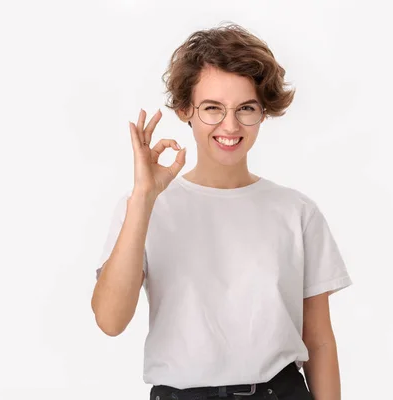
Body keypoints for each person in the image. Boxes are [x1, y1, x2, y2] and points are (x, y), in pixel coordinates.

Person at [91, 23, 353, 400]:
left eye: (245, 108)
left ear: (263, 112)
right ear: (185, 110)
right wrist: (144, 198)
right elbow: (110, 321)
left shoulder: (296, 211)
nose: (230, 126)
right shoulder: (143, 208)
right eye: (212, 108)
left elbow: (319, 340)